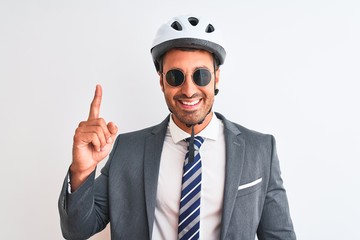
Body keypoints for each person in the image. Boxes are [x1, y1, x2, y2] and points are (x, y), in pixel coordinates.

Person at [58, 14, 296, 240]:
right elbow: (77, 230)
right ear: (162, 81)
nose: (189, 90)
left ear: (217, 77)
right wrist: (81, 171)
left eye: (201, 75)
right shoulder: (127, 151)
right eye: (175, 76)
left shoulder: (260, 150)